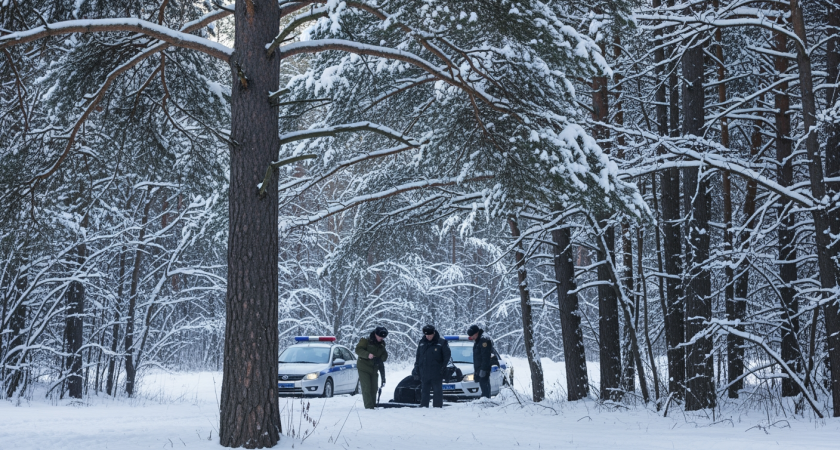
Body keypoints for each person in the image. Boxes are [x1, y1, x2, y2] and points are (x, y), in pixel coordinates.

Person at [413, 324, 450, 407]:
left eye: (430, 335)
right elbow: (418, 357)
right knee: (424, 392)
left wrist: (442, 368)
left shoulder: (441, 343)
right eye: (426, 335)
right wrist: (416, 369)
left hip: (437, 373)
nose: (428, 337)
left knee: (437, 392)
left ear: (433, 333)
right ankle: (424, 406)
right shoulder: (422, 343)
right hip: (424, 373)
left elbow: (447, 357)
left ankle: (437, 408)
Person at [355, 326, 388, 409]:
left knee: (374, 388)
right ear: (376, 334)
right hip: (364, 367)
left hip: (374, 368)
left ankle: (373, 405)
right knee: (366, 388)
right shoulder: (365, 341)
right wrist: (367, 355)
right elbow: (358, 350)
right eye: (380, 336)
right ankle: (369, 407)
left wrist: (381, 359)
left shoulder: (382, 344)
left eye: (383, 337)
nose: (381, 338)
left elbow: (384, 354)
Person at [467, 324, 493, 398]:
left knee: (485, 385)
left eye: (472, 336)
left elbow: (486, 356)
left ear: (476, 333)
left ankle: (486, 400)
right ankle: (485, 399)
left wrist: (483, 369)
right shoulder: (478, 340)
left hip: (484, 369)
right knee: (483, 385)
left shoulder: (483, 340)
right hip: (479, 368)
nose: (472, 338)